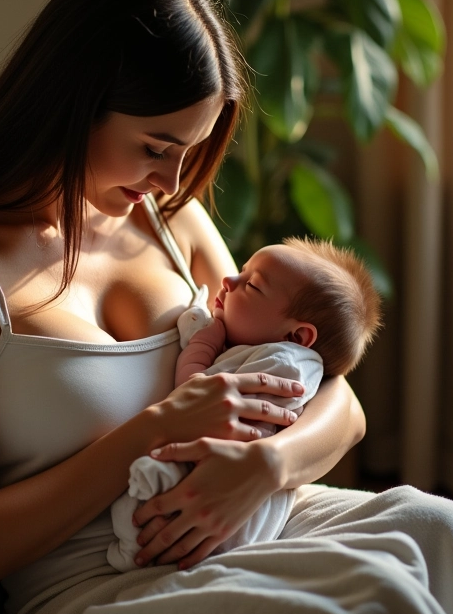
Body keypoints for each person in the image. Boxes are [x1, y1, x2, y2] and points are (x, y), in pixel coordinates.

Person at [0, 0, 453, 614]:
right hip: (99, 577)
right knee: (375, 606)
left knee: (444, 528)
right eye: (155, 147)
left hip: (244, 519)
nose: (171, 179)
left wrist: (264, 466)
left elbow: (338, 400)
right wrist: (158, 426)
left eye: (189, 152)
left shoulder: (170, 221)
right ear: (72, 102)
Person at [108, 236, 382, 571]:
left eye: (250, 285)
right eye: (241, 270)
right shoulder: (288, 358)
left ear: (296, 337)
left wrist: (201, 346)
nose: (228, 280)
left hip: (224, 495)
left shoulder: (278, 363)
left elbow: (195, 395)